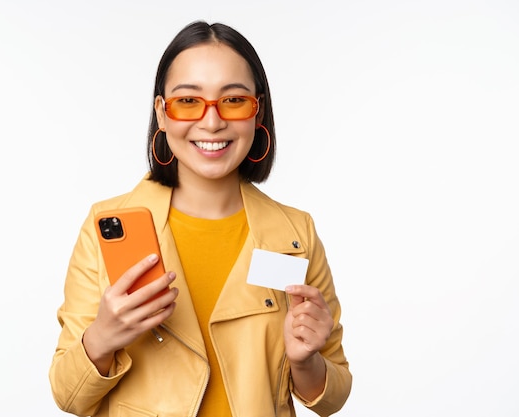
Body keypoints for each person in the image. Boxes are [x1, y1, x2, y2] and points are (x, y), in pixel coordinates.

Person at [49, 20, 352, 417]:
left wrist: (305, 361)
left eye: (234, 100)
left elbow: (334, 396)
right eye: (188, 101)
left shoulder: (295, 235)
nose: (212, 122)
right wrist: (102, 338)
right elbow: (67, 396)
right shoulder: (106, 226)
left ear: (257, 112)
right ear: (162, 112)